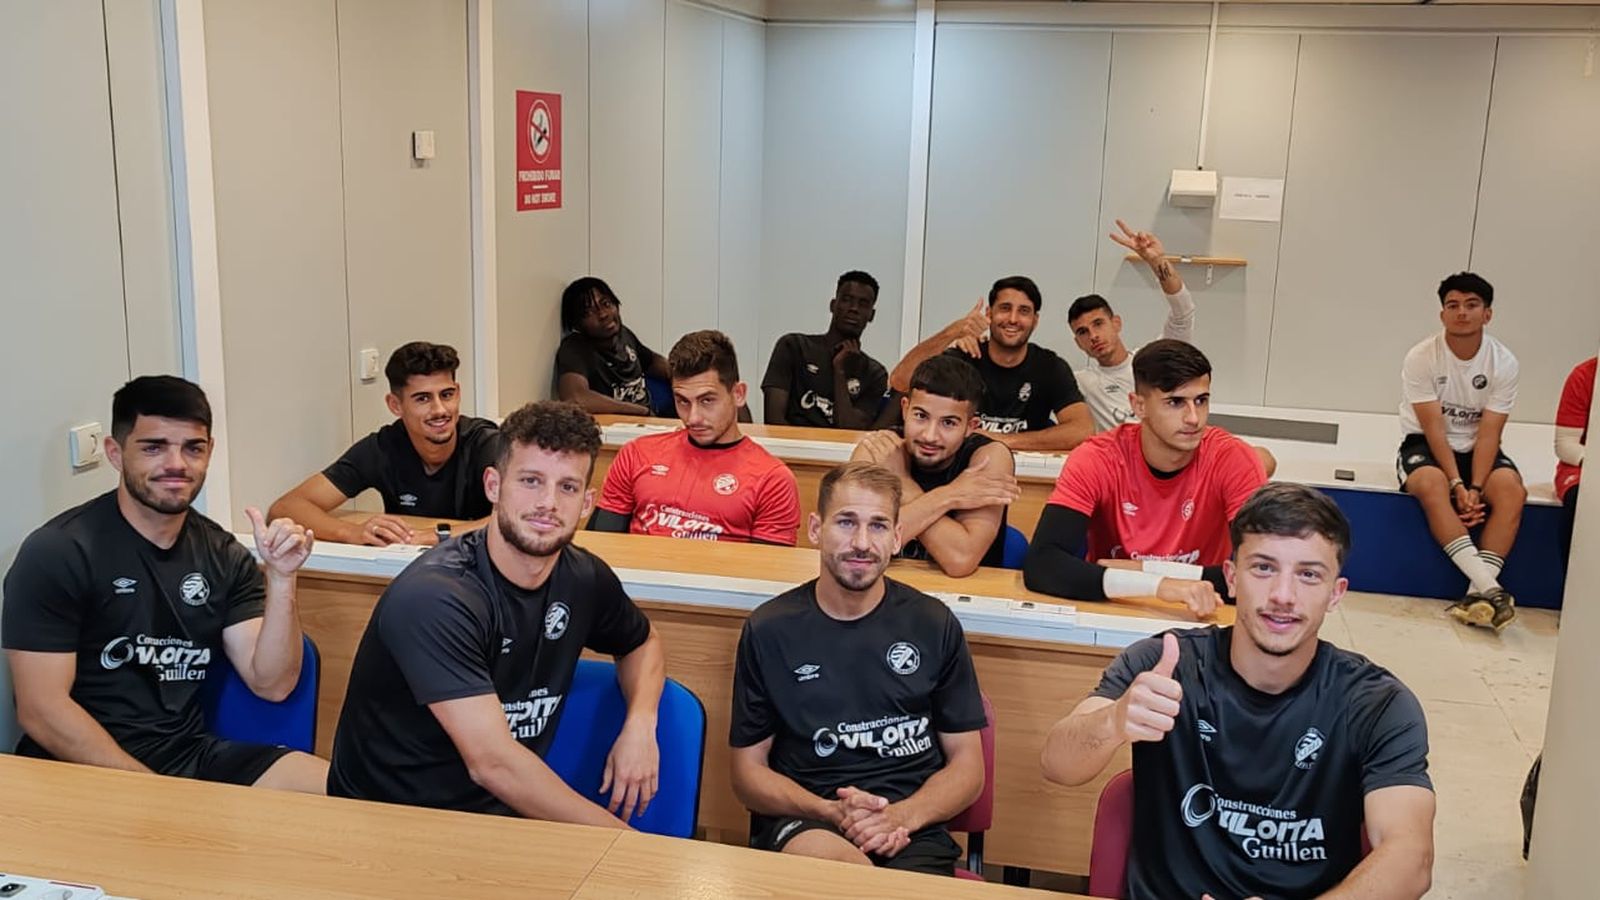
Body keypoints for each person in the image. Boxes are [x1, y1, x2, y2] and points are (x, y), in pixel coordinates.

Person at [1040, 483, 1435, 900]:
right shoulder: (1165, 664)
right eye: (1263, 568)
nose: (1283, 596)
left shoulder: (1377, 703)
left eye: (1308, 575)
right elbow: (1057, 764)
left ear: (1335, 594)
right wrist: (1114, 720)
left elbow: (1411, 859)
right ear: (1231, 577)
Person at [327, 401, 666, 826]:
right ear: (493, 485)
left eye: (567, 487)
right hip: (388, 825)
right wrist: (626, 844)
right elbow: (493, 764)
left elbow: (642, 642)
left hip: (502, 820)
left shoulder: (584, 577)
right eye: (530, 481)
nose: (548, 503)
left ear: (586, 504)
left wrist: (640, 724)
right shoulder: (435, 596)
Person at [3, 376, 326, 792]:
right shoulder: (58, 552)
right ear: (116, 454)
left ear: (209, 452)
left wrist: (282, 579)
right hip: (74, 768)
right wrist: (154, 794)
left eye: (193, 448)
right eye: (154, 447)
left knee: (344, 796)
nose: (176, 464)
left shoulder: (223, 554)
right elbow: (41, 710)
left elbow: (274, 684)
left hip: (187, 753)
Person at [729, 461, 988, 876]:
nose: (862, 543)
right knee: (830, 870)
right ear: (815, 529)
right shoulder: (769, 629)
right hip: (809, 823)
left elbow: (968, 767)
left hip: (909, 827)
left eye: (879, 526)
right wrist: (830, 810)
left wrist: (901, 816)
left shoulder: (933, 622)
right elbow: (747, 774)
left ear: (898, 537)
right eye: (846, 523)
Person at [1023, 340, 1267, 617]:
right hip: (1117, 612)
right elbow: (1043, 564)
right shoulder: (1096, 458)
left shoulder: (1233, 458)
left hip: (1203, 614)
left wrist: (1149, 572)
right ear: (1138, 406)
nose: (1193, 418)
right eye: (1175, 402)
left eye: (1201, 400)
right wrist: (1158, 585)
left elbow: (1263, 573)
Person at [269, 341, 500, 546]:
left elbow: (521, 519)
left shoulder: (488, 444)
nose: (439, 410)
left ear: (458, 393)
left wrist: (434, 537)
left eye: (447, 395)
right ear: (395, 405)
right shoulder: (383, 447)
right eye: (423, 399)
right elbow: (285, 508)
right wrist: (353, 533)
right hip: (408, 570)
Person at [1396, 272, 1525, 630]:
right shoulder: (1422, 357)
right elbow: (1434, 428)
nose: (1462, 313)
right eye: (1453, 305)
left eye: (1471, 305)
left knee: (1512, 491)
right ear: (1442, 315)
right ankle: (1491, 587)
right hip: (1426, 444)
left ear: (1487, 314)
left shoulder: (1504, 362)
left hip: (1478, 448)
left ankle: (1477, 595)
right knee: (1430, 484)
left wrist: (1477, 488)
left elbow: (1489, 432)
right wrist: (1457, 484)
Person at [591, 330, 801, 545]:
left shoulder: (773, 480)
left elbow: (766, 572)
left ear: (738, 394)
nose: (693, 418)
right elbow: (600, 551)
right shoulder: (636, 454)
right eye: (682, 401)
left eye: (707, 400)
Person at [851, 356, 1019, 576]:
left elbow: (960, 559)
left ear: (971, 426)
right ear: (905, 409)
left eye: (948, 423)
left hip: (964, 602)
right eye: (921, 416)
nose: (930, 436)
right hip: (881, 592)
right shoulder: (879, 449)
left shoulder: (988, 458)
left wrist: (902, 483)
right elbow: (852, 545)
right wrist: (950, 495)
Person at [889, 276, 1092, 451]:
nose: (1013, 319)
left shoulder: (1050, 367)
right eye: (1005, 308)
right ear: (989, 314)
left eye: (1023, 311)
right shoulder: (964, 357)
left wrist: (1002, 440)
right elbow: (900, 380)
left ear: (1035, 320)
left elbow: (1081, 430)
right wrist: (953, 332)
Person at [1069, 220, 1196, 432]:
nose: (1093, 336)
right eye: (1083, 332)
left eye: (1098, 324)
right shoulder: (1082, 383)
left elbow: (1183, 313)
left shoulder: (1154, 359)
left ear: (1116, 323)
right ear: (1078, 343)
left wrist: (1157, 261)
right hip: (1123, 461)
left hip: (1170, 452)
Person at [762, 270, 893, 430]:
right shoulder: (794, 347)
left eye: (863, 304)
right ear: (833, 305)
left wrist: (839, 371)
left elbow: (849, 431)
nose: (854, 309)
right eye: (847, 300)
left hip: (840, 454)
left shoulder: (874, 373)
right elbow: (773, 421)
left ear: (871, 315)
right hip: (788, 451)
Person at [555, 276, 671, 417]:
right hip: (619, 428)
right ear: (577, 324)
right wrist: (640, 411)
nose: (603, 314)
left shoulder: (623, 334)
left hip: (651, 420)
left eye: (606, 304)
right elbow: (575, 398)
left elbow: (652, 361)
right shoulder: (574, 348)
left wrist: (679, 377)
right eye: (589, 312)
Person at [1554, 355, 1594, 566]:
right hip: (1584, 468)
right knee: (1582, 500)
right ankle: (1575, 587)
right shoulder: (1585, 375)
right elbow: (1565, 445)